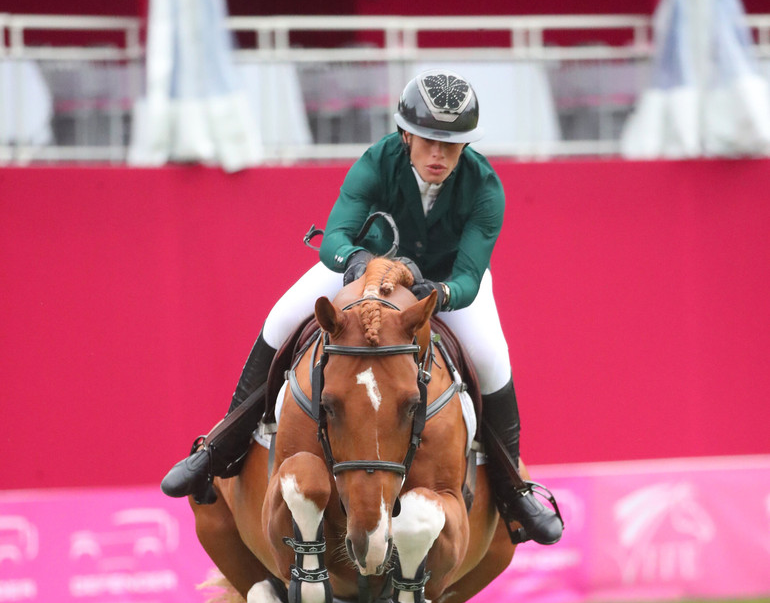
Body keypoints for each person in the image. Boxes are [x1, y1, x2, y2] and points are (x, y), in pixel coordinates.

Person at [161, 71, 563, 545]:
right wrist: (357, 264)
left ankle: (514, 490)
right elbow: (334, 236)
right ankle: (221, 447)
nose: (438, 155)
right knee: (281, 317)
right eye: (430, 140)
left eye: (451, 146)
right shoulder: (376, 162)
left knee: (493, 359)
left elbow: (470, 278)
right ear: (407, 133)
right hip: (363, 268)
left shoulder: (484, 186)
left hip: (441, 284)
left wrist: (432, 292)